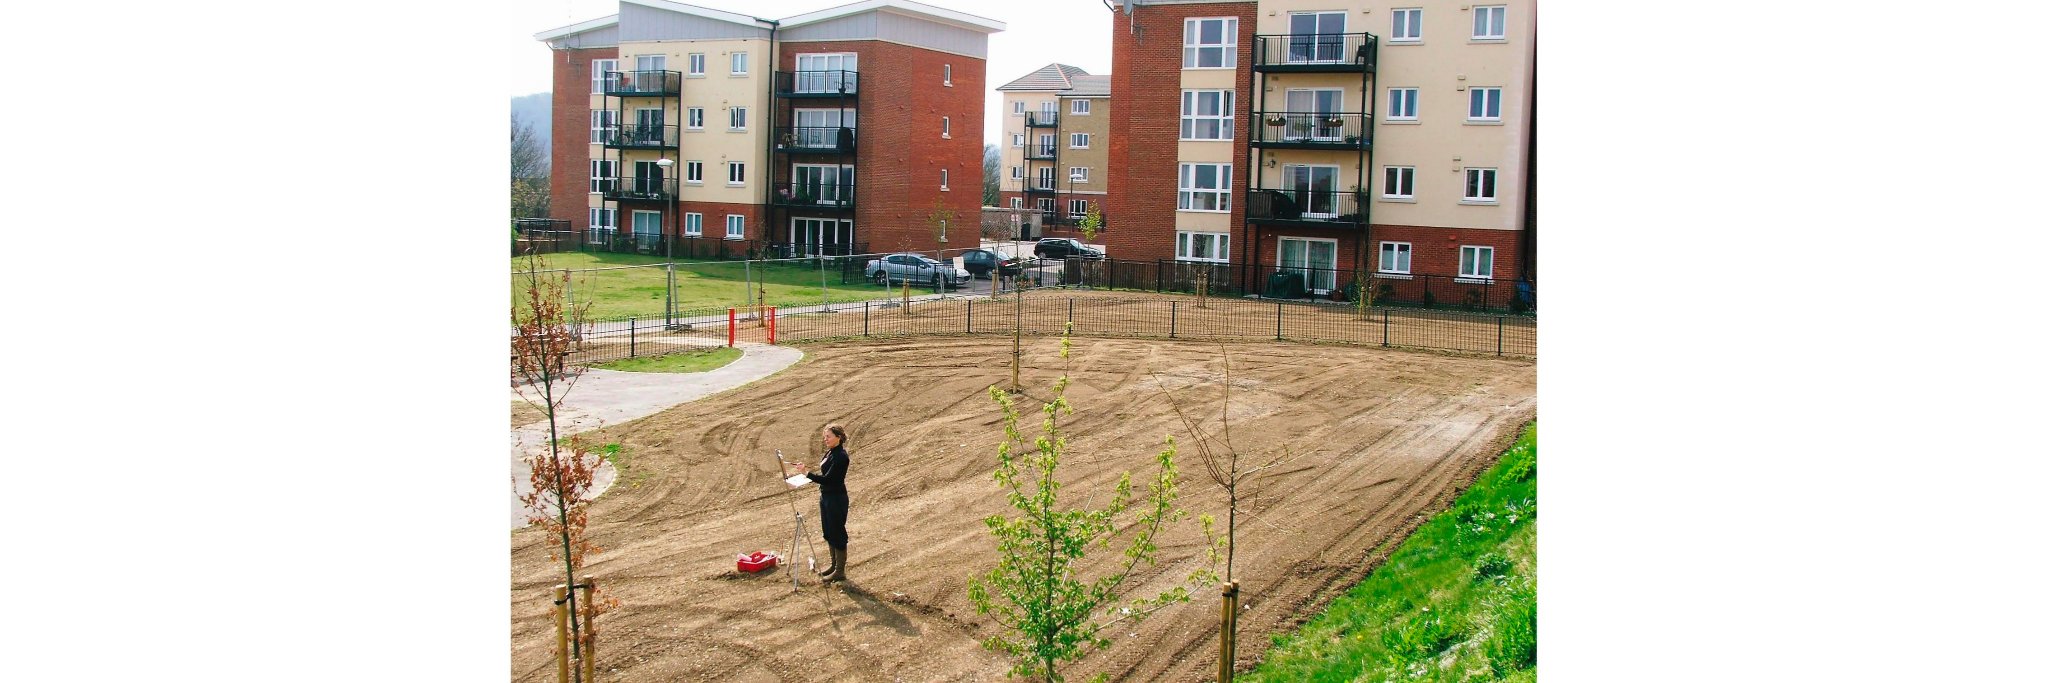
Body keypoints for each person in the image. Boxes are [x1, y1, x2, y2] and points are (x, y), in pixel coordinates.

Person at [789, 423, 852, 583]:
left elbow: (829, 479)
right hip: (826, 496)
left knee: (837, 533)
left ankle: (840, 571)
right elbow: (824, 477)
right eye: (825, 437)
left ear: (838, 437)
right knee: (829, 531)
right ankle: (833, 565)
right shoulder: (830, 453)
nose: (826, 439)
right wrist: (806, 476)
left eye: (828, 437)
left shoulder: (841, 456)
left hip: (836, 499)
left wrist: (806, 473)